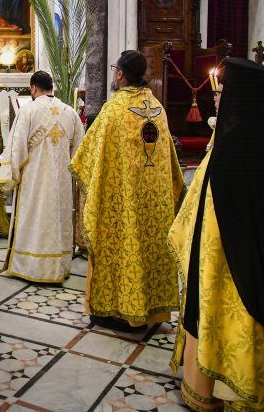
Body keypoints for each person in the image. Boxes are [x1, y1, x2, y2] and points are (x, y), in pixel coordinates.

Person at [168, 58, 264, 411]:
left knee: (229, 323)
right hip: (259, 265)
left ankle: (218, 391)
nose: (217, 98)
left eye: (223, 92)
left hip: (228, 267)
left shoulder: (233, 146)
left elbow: (211, 208)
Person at [71, 50, 184, 332]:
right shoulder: (158, 108)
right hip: (155, 206)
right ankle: (153, 311)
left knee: (122, 250)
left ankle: (121, 312)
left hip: (122, 205)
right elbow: (171, 165)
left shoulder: (114, 110)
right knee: (150, 250)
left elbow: (87, 158)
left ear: (120, 74)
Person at [0, 71, 84, 283]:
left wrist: (10, 176)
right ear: (51, 88)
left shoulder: (28, 111)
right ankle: (59, 266)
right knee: (58, 220)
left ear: (33, 89)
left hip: (35, 182)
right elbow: (80, 154)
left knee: (35, 219)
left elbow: (17, 149)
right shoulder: (70, 113)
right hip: (61, 184)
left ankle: (34, 267)